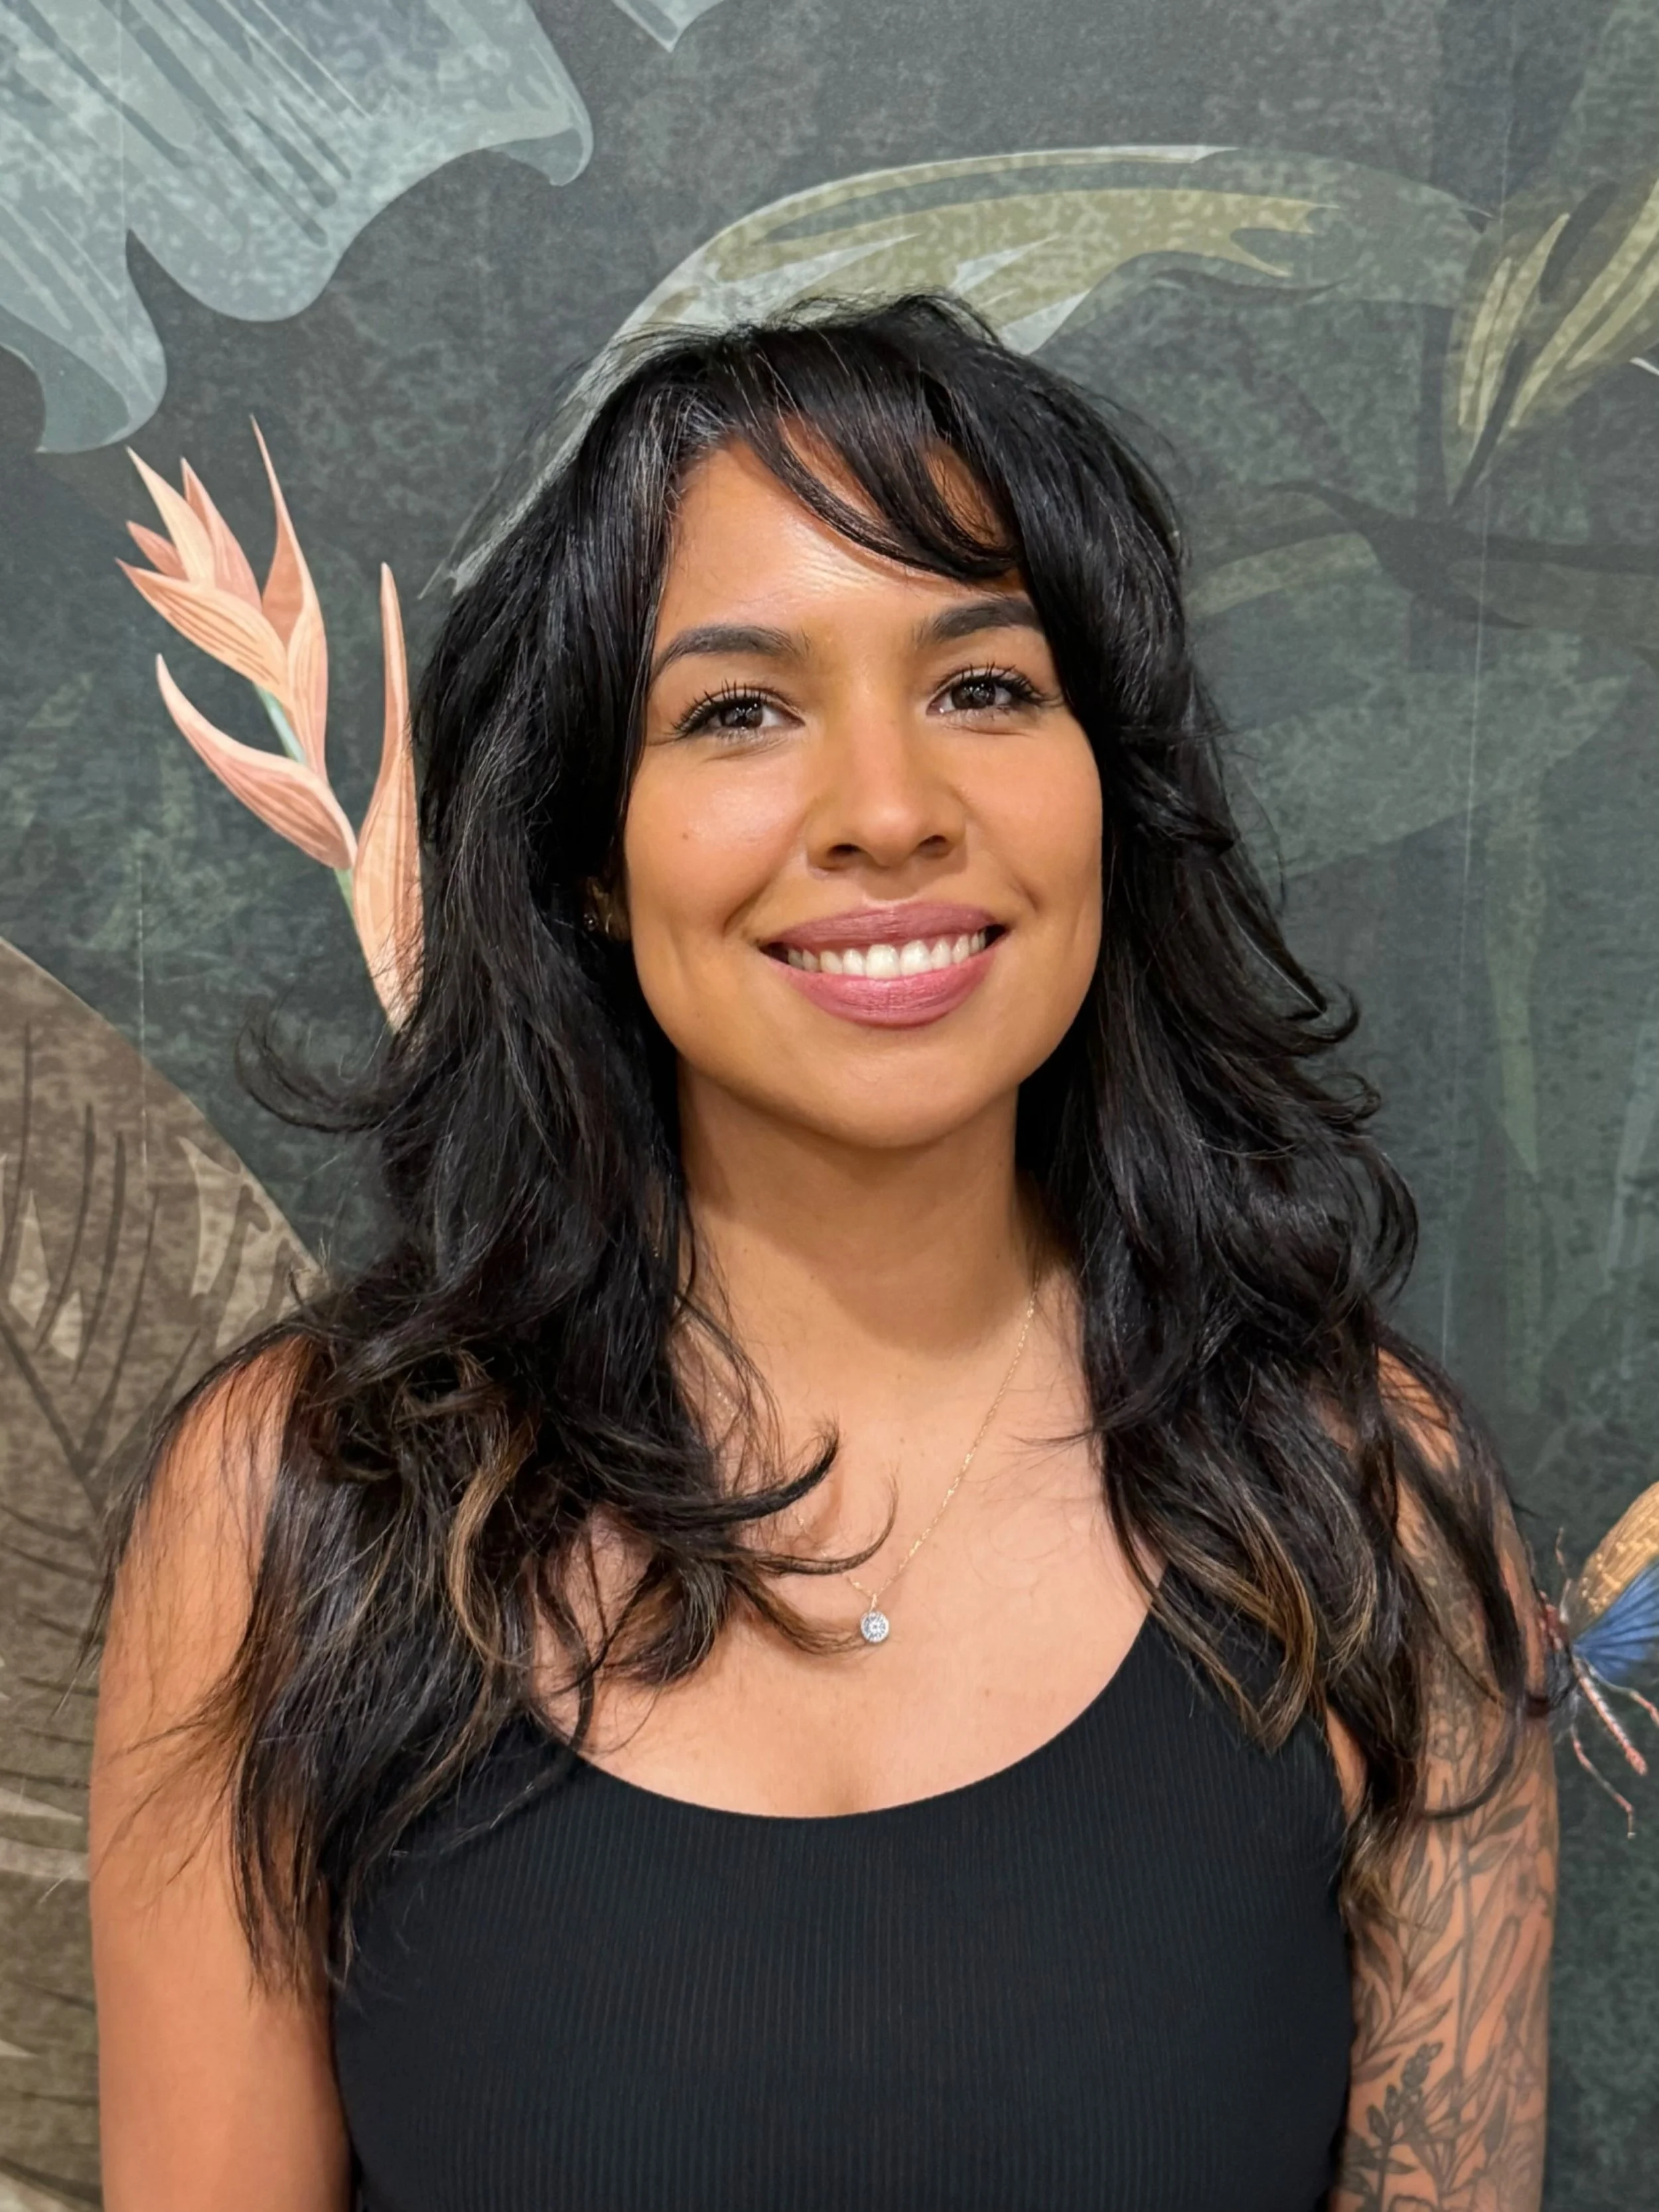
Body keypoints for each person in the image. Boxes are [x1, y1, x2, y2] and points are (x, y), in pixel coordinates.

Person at [89, 295, 1557, 2212]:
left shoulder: (1363, 1505)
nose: (886, 812)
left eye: (983, 687)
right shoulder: (298, 1511)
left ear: (1108, 789)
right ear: (590, 856)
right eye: (739, 711)